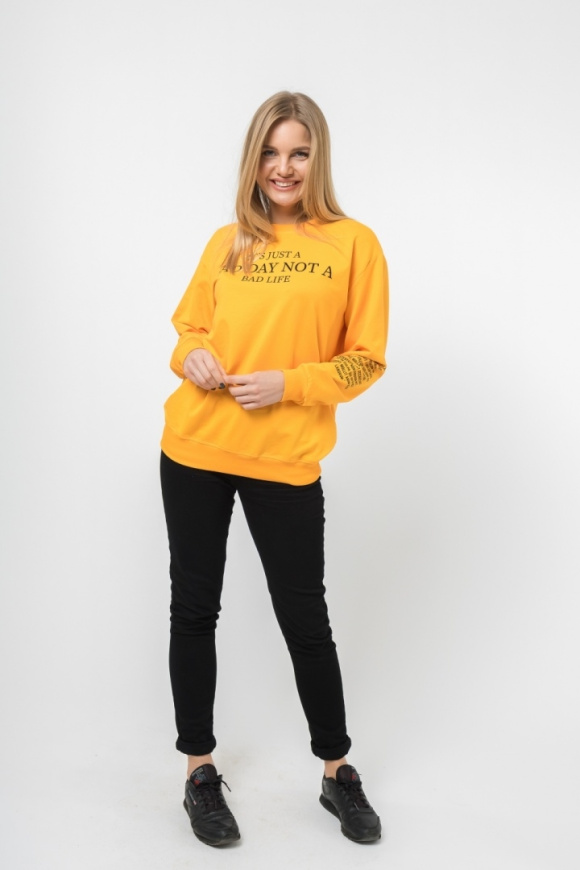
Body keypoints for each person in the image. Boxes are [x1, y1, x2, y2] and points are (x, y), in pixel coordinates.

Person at [160, 91, 389, 847]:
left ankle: (336, 771)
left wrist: (288, 384)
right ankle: (199, 771)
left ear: (317, 159)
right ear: (252, 160)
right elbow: (188, 328)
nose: (282, 167)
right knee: (195, 610)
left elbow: (365, 360)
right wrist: (192, 355)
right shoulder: (228, 241)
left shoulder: (354, 245)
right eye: (269, 151)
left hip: (285, 458)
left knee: (304, 618)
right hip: (195, 447)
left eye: (298, 152)